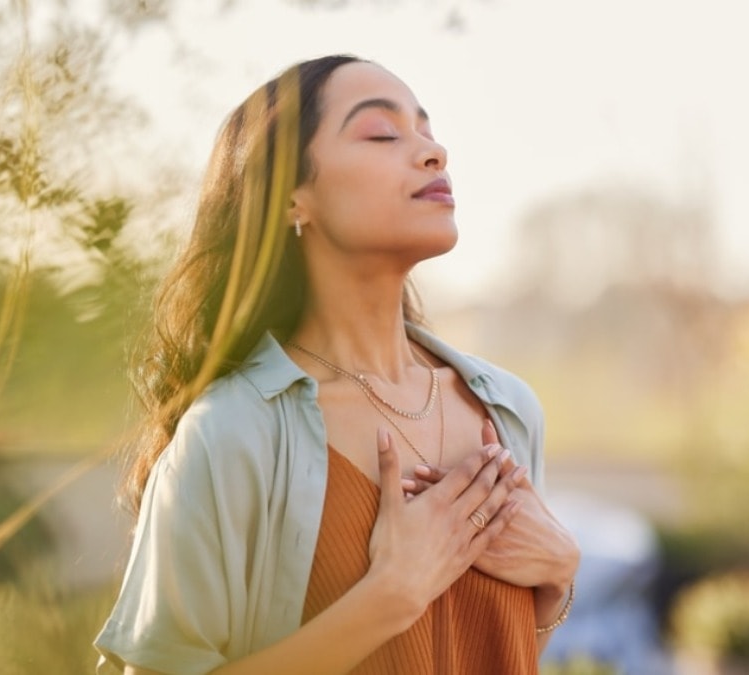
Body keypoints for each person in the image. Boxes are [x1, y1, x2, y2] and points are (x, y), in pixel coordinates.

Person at [94, 54, 580, 675]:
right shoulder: (232, 433)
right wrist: (388, 597)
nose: (434, 153)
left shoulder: (509, 410)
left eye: (427, 132)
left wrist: (557, 579)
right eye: (382, 133)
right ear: (294, 199)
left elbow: (495, 649)